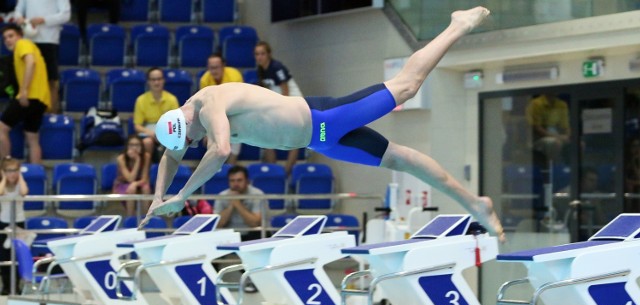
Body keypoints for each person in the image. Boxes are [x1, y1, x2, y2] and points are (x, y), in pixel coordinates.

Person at [142, 6, 505, 242]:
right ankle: (476, 203)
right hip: (321, 141)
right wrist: (158, 197)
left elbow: (221, 151)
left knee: (406, 87)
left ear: (187, 123)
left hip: (324, 118)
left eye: (190, 139)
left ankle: (457, 25)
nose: (190, 144)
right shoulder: (186, 122)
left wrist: (183, 196)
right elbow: (171, 157)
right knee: (401, 158)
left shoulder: (209, 104)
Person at [0, 24, 50, 164]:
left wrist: (24, 90)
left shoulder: (23, 43)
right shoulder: (27, 47)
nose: (8, 40)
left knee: (1, 129)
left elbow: (30, 62)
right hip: (41, 100)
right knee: (32, 137)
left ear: (20, 35)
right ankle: (37, 174)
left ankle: (7, 168)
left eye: (11, 36)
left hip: (30, 96)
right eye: (5, 38)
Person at [12, 0, 71, 114]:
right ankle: (27, 113)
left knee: (51, 80)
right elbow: (18, 11)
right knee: (27, 78)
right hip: (29, 39)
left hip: (49, 39)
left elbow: (65, 15)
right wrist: (20, 19)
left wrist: (44, 20)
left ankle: (52, 115)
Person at [254, 40, 302, 175]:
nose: (259, 57)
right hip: (279, 102)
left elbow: (285, 90)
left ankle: (287, 171)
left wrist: (281, 110)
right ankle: (273, 170)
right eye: (257, 54)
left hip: (292, 102)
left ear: (269, 54)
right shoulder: (261, 70)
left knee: (295, 139)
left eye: (262, 54)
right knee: (266, 135)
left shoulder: (276, 67)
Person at [133, 67, 180, 156]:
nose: (156, 82)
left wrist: (163, 134)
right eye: (153, 80)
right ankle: (147, 169)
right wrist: (152, 133)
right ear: (148, 82)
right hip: (149, 130)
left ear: (163, 80)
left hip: (167, 130)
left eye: (159, 79)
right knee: (147, 142)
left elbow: (175, 123)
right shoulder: (140, 100)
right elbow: (137, 126)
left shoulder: (172, 99)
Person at [0, 157, 28, 295]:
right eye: (9, 171)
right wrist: (3, 178)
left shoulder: (19, 184)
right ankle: (6, 286)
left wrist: (20, 176)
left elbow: (24, 192)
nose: (12, 173)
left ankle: (16, 286)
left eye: (15, 170)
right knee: (4, 256)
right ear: (4, 172)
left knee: (17, 256)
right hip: (4, 222)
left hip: (19, 222)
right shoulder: (2, 185)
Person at [214, 165, 264, 241]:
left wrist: (237, 204)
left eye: (239, 180)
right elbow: (217, 225)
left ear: (247, 181)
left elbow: (255, 223)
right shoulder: (222, 195)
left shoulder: (257, 194)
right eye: (232, 181)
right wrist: (231, 205)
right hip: (229, 234)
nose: (236, 184)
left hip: (251, 234)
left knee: (259, 233)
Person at [526, 93, 571, 164]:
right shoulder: (535, 104)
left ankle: (570, 169)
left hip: (558, 136)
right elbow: (537, 128)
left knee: (579, 144)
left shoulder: (562, 104)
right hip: (539, 138)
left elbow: (566, 126)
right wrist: (558, 137)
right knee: (556, 143)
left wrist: (568, 136)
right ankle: (553, 169)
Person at [113, 135, 152, 217]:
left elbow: (144, 178)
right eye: (131, 145)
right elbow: (130, 179)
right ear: (127, 147)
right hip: (123, 184)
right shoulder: (121, 158)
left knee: (146, 188)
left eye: (137, 145)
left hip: (140, 182)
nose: (134, 148)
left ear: (141, 146)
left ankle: (146, 219)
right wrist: (138, 160)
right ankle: (130, 219)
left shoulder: (146, 156)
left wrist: (135, 184)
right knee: (131, 189)